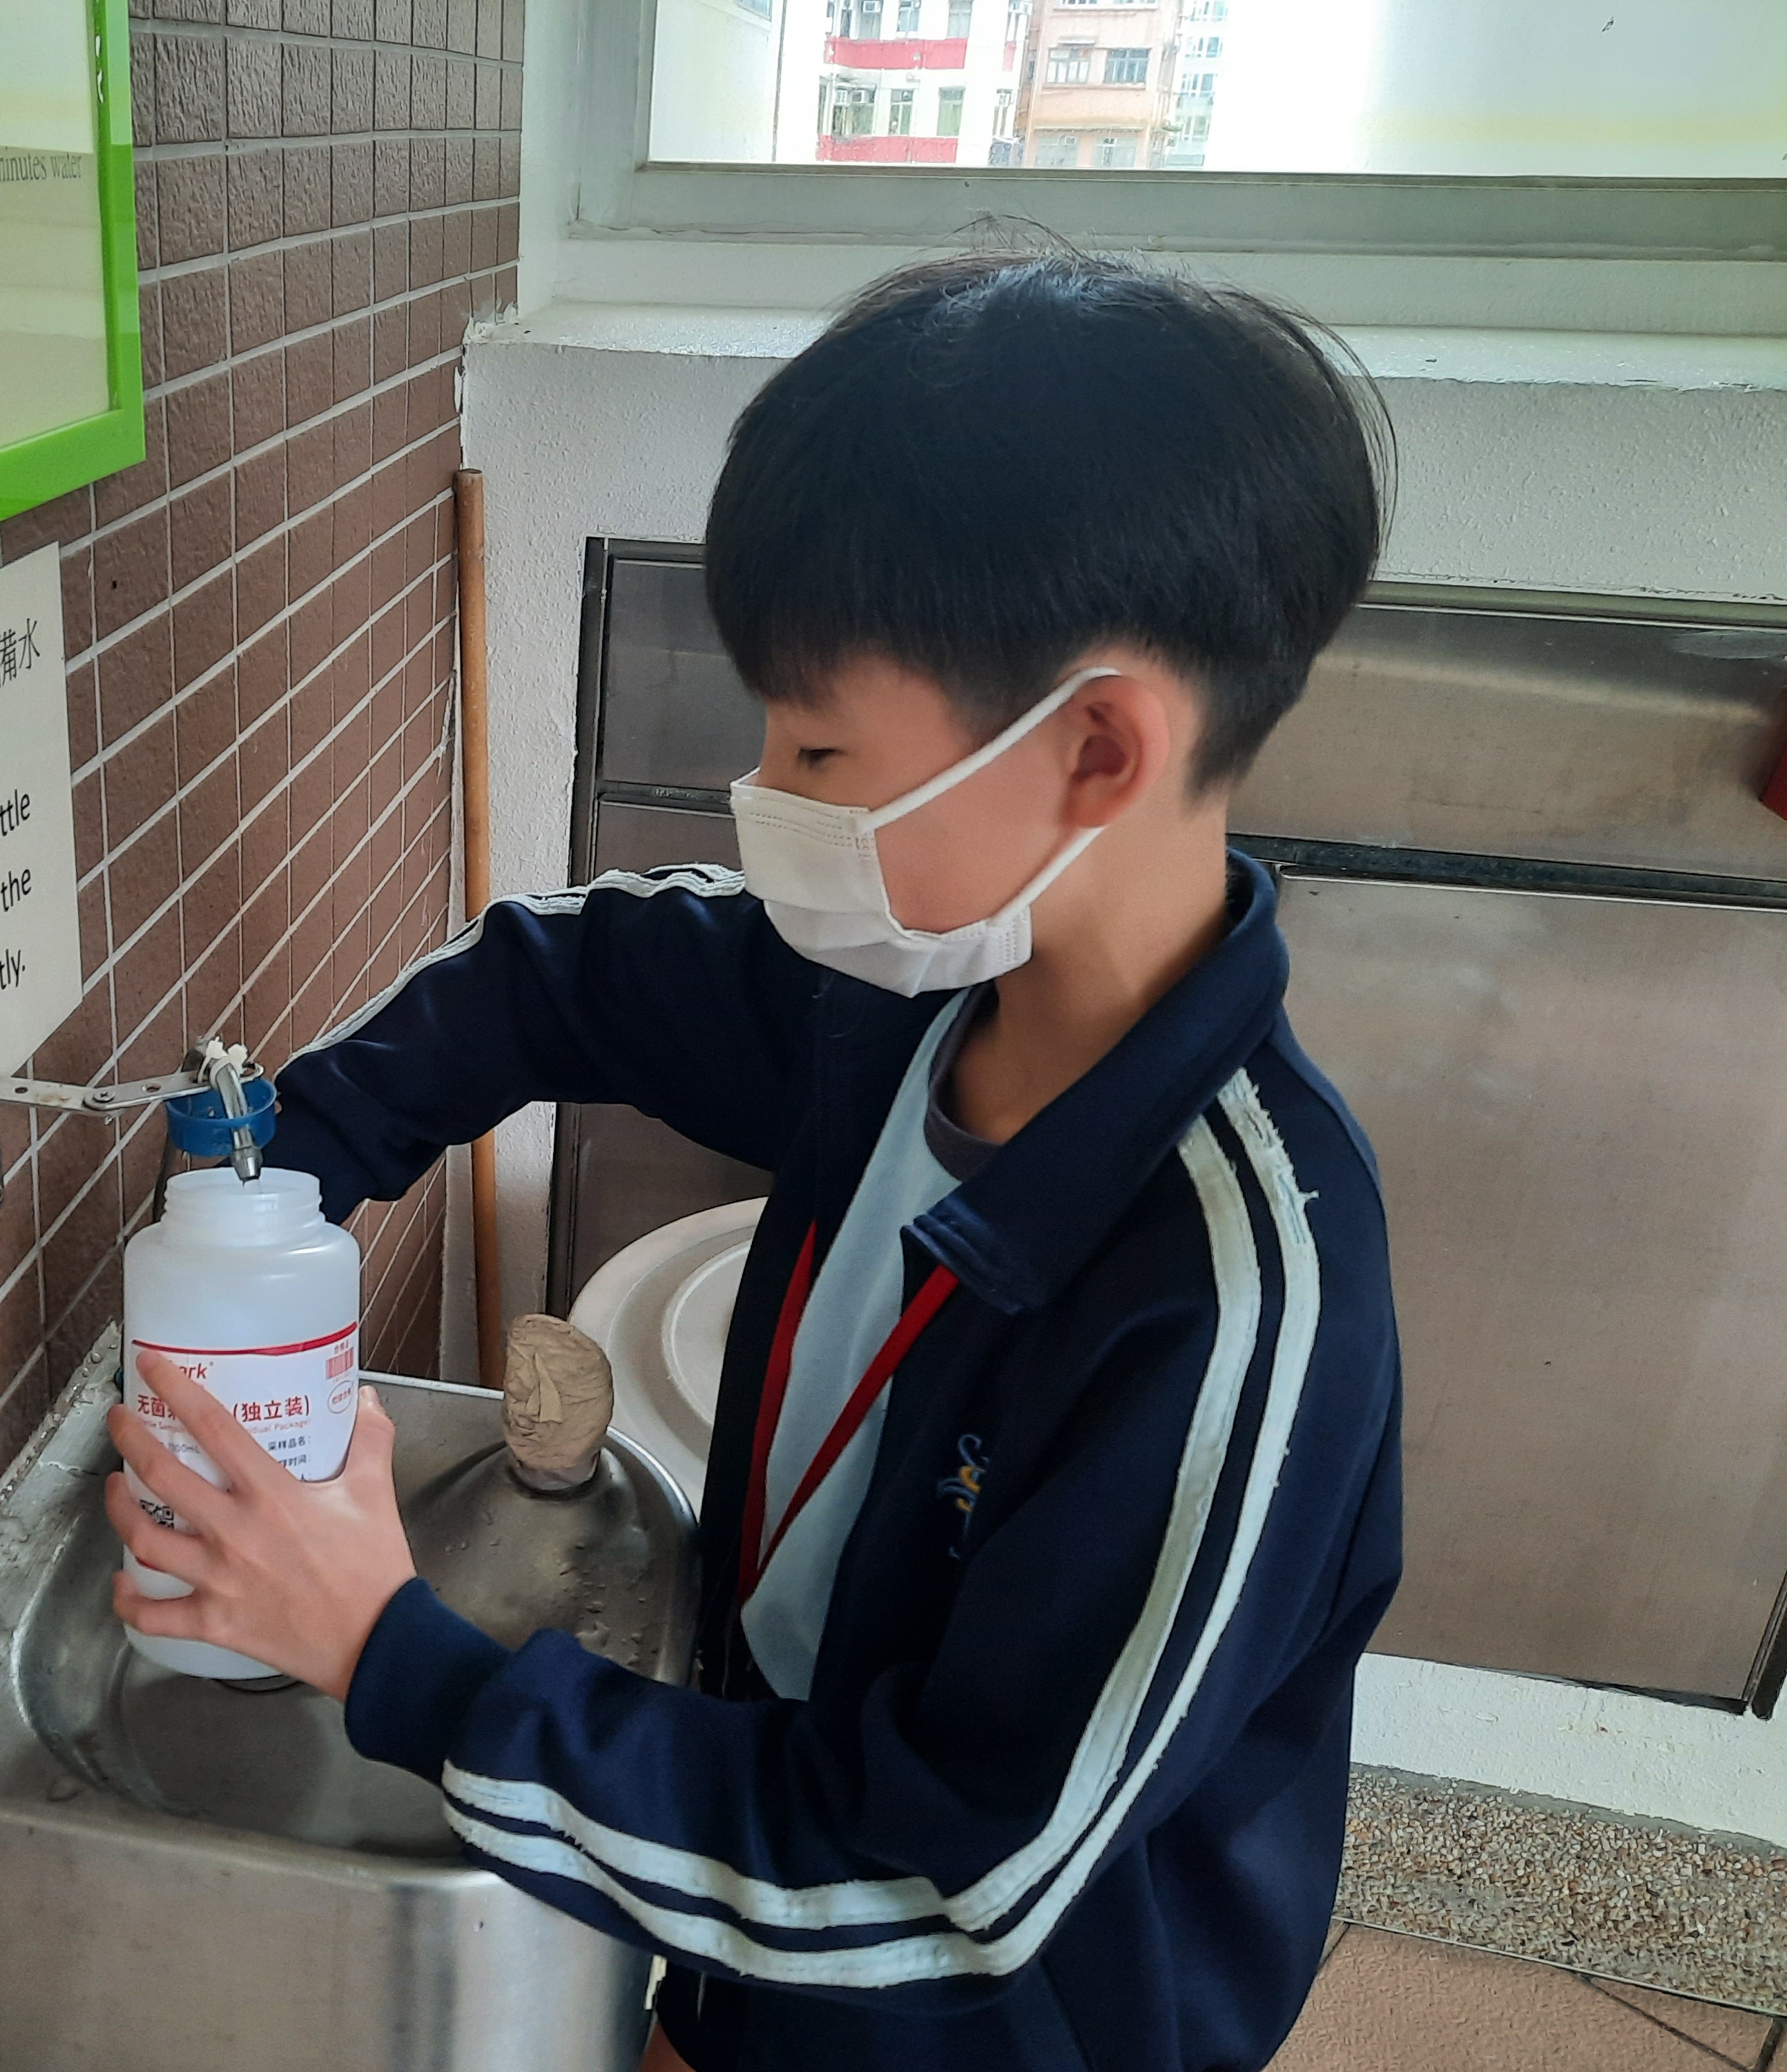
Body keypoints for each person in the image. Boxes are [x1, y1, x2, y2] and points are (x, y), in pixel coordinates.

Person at [105, 249, 1407, 2072]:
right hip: (755, 1934)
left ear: (1098, 749)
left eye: (818, 743)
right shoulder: (909, 996)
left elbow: (945, 1893)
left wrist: (389, 1650)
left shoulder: (1234, 1298)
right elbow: (551, 982)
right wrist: (281, 1183)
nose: (767, 797)